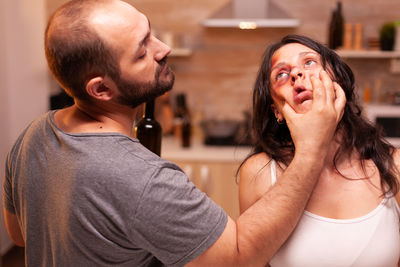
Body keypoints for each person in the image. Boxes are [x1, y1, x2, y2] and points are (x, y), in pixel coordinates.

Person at [2, 0, 345, 265]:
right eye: (142, 51)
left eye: (150, 32)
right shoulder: (140, 178)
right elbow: (239, 256)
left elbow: (19, 233)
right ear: (101, 89)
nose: (162, 48)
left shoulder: (32, 133)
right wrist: (312, 147)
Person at [239, 34, 400, 267]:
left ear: (338, 80)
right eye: (281, 74)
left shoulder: (393, 166)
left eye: (309, 62)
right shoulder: (259, 173)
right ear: (277, 111)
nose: (295, 74)